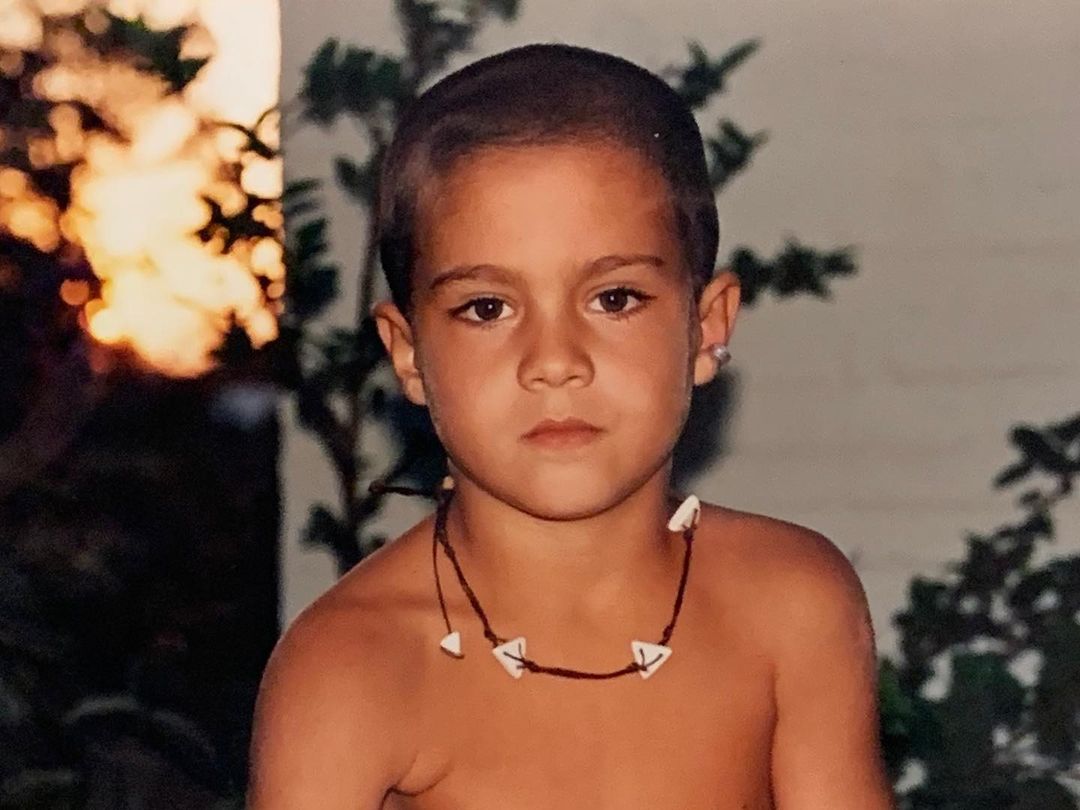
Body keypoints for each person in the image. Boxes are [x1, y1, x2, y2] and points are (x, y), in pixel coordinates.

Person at [249, 43, 897, 809]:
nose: (554, 362)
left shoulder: (792, 605)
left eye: (614, 299)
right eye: (487, 308)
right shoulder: (352, 669)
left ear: (707, 327)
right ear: (410, 355)